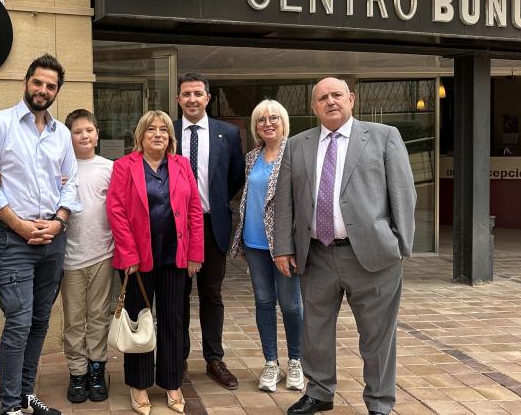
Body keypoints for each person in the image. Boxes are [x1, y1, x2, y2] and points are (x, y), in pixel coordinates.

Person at [274, 78, 416, 415]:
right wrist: (282, 247)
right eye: (322, 98)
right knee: (315, 331)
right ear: (314, 107)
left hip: (373, 256)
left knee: (377, 336)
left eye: (337, 95)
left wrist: (399, 245)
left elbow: (404, 193)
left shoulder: (383, 137)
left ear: (351, 99)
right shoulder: (296, 145)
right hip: (317, 254)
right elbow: (284, 201)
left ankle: (380, 403)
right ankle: (320, 392)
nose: (330, 101)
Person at [0, 53, 82, 415]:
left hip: (53, 237)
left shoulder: (62, 133)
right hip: (12, 238)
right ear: (26, 82)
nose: (43, 90)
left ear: (57, 91)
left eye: (51, 86)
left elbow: (72, 184)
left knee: (39, 321)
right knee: (18, 322)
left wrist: (59, 220)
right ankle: (9, 406)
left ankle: (24, 395)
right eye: (38, 82)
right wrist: (18, 224)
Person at [106, 110, 203, 415]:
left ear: (170, 137)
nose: (158, 134)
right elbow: (116, 211)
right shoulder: (124, 166)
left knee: (174, 320)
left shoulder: (181, 165)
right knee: (138, 320)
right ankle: (138, 384)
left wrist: (194, 254)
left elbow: (194, 211)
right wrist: (129, 254)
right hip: (138, 260)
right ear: (141, 136)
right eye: (151, 130)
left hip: (175, 257)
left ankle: (172, 382)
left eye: (163, 130)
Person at [173, 72, 245, 389]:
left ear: (207, 97)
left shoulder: (227, 134)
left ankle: (214, 359)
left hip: (211, 223)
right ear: (178, 99)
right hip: (175, 229)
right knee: (178, 296)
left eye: (197, 94)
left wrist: (213, 203)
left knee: (211, 294)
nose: (192, 99)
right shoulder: (168, 131)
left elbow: (235, 177)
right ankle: (178, 359)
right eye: (186, 94)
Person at [227, 100, 304, 393]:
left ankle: (296, 361)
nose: (267, 123)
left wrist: (294, 243)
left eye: (273, 118)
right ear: (255, 127)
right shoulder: (252, 157)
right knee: (263, 302)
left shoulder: (295, 154)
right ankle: (271, 363)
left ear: (284, 122)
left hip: (284, 244)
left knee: (291, 304)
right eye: (261, 120)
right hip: (255, 242)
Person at [58, 109, 115, 404]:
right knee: (74, 321)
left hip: (102, 254)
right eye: (78, 131)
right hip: (70, 258)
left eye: (89, 130)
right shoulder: (61, 167)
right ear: (69, 136)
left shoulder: (109, 167)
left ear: (97, 134)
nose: (84, 135)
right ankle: (77, 373)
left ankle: (96, 370)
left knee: (98, 317)